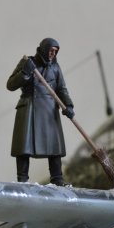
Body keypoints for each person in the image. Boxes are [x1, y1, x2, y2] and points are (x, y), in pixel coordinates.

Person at [6, 37, 75, 186]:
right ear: (44, 48)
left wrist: (68, 105)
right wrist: (25, 72)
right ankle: (22, 180)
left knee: (54, 146)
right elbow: (10, 85)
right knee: (24, 145)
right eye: (51, 50)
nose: (53, 54)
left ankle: (57, 179)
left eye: (55, 51)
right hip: (29, 108)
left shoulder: (55, 67)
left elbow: (61, 89)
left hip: (49, 110)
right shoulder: (27, 62)